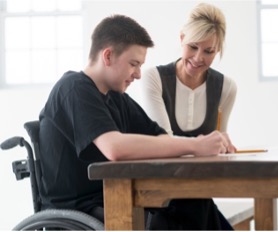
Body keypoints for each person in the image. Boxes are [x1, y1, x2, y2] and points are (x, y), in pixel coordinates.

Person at [38, 14, 231, 224]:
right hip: (82, 210)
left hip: (116, 195)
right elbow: (115, 148)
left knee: (194, 199)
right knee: (185, 205)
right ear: (108, 56)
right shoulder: (74, 88)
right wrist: (194, 146)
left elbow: (160, 136)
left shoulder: (115, 97)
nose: (138, 74)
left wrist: (204, 143)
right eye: (134, 64)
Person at [141, 3, 237, 230]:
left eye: (209, 51)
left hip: (198, 191)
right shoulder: (154, 79)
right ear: (181, 38)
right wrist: (206, 145)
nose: (198, 58)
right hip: (161, 193)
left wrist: (223, 145)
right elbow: (163, 143)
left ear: (218, 50)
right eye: (193, 46)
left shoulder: (226, 87)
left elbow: (219, 143)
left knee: (198, 206)